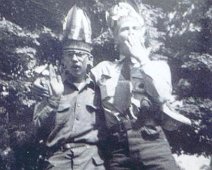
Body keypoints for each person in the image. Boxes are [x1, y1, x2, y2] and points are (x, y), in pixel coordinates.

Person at [91, 1, 191, 170]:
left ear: (142, 34)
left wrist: (143, 60)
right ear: (115, 37)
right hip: (118, 148)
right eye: (124, 29)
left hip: (151, 141)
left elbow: (162, 96)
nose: (131, 33)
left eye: (135, 28)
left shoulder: (158, 66)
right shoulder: (102, 69)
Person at [32, 5, 105, 170]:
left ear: (90, 59)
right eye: (70, 54)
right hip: (58, 162)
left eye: (80, 54)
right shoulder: (49, 86)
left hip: (92, 163)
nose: (75, 59)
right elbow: (37, 131)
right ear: (63, 58)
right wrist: (53, 101)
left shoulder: (100, 89)